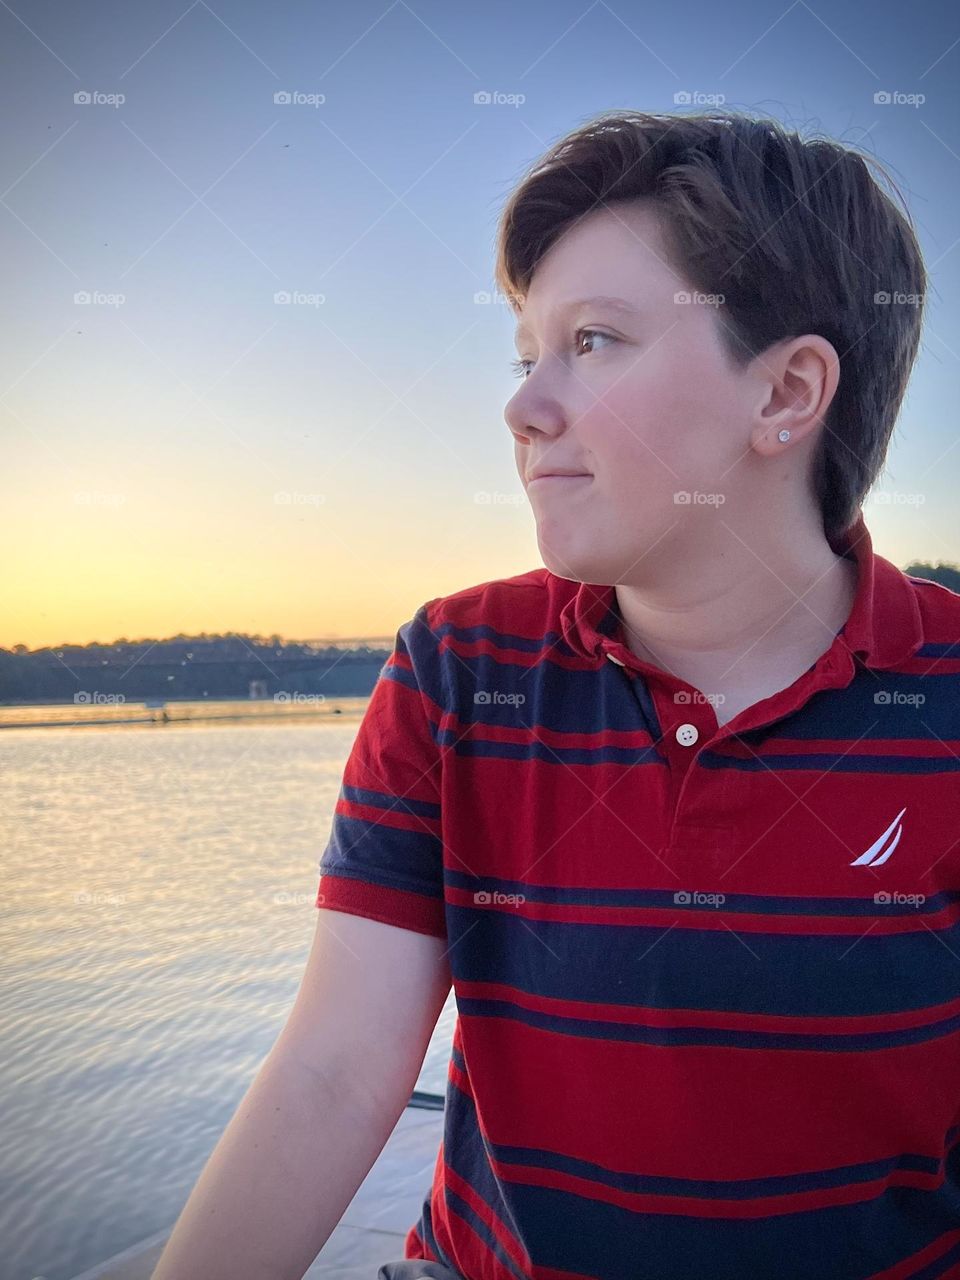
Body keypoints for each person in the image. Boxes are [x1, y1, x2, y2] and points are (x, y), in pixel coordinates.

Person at [152, 110, 960, 1280]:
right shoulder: (456, 669)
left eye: (593, 341)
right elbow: (336, 1066)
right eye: (526, 352)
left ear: (786, 393)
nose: (524, 406)